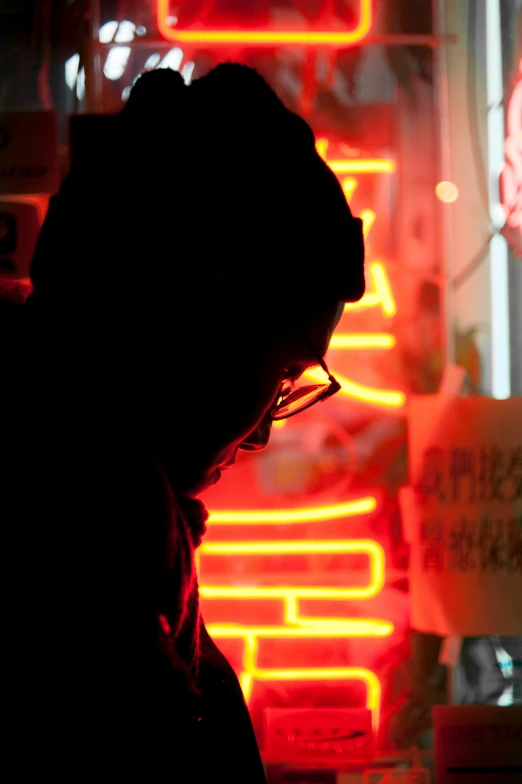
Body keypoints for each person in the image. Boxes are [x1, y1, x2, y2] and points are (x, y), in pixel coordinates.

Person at [2, 64, 364, 780]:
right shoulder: (89, 552)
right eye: (286, 374)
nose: (264, 430)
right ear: (196, 292)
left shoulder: (100, 511)